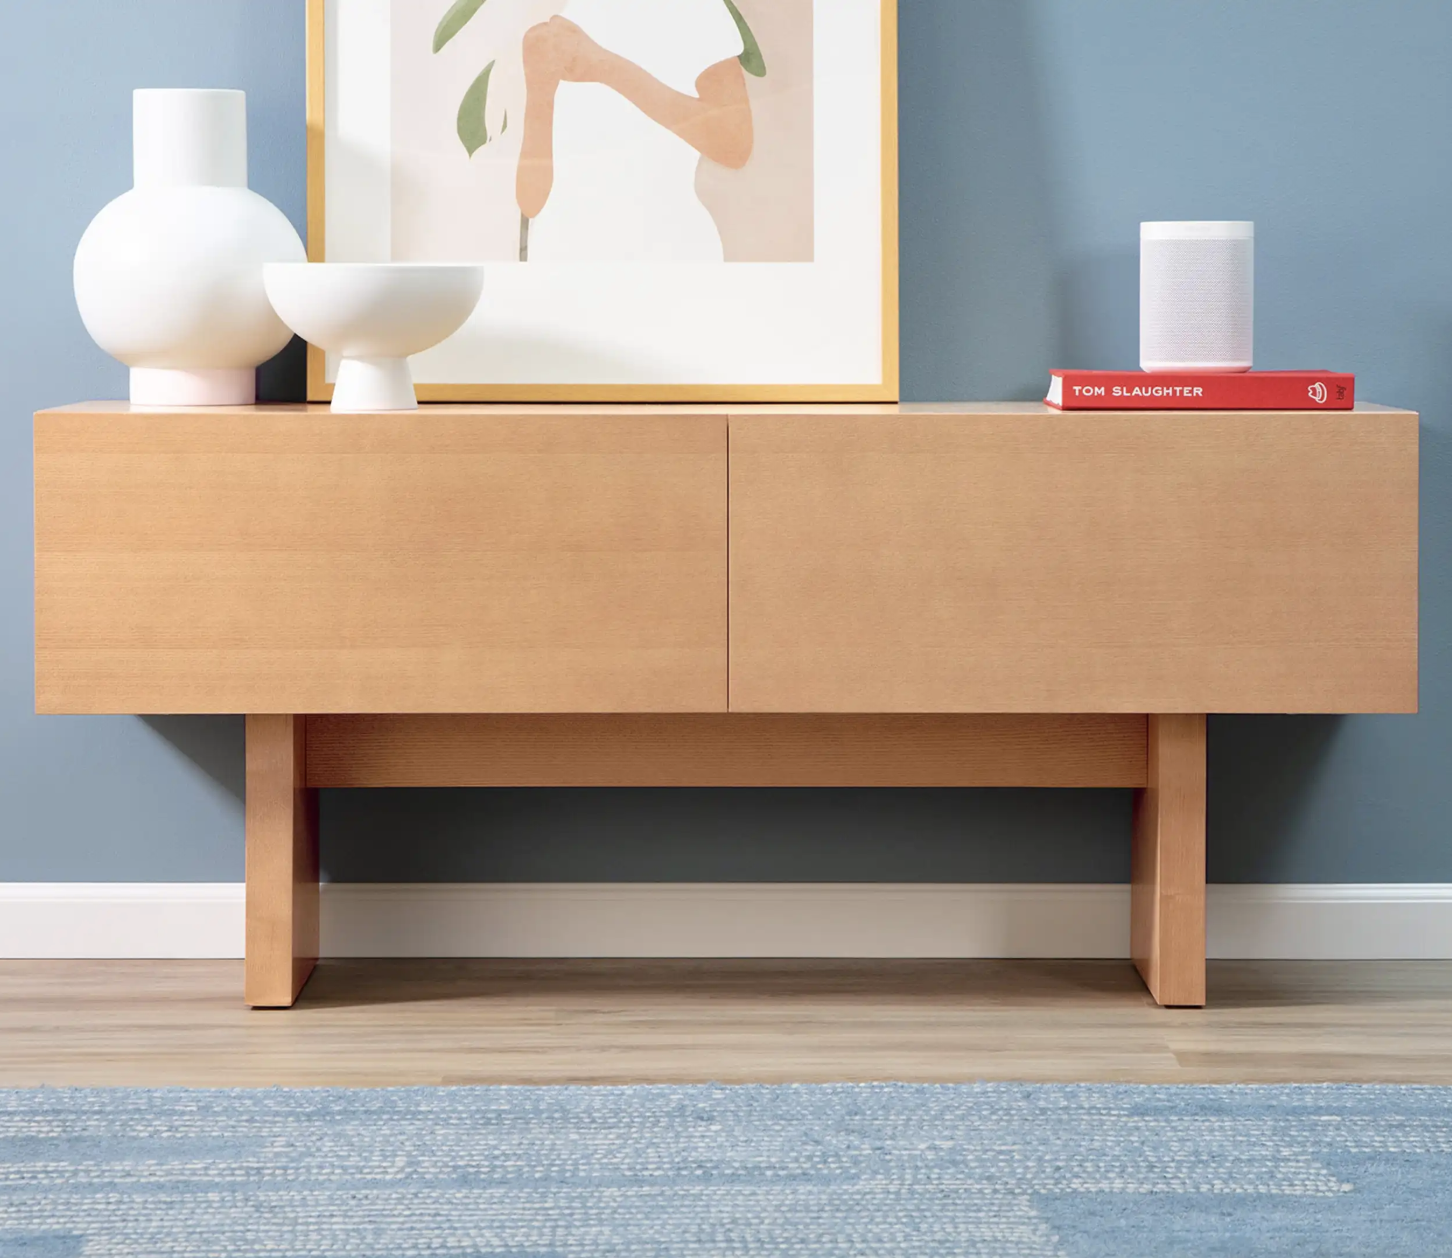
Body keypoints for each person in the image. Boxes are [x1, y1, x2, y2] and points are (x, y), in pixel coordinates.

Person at [517, 0, 754, 262]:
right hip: (562, 255)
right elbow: (530, 202)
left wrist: (605, 66)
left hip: (666, 252)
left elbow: (734, 144)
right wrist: (539, 91)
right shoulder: (564, 18)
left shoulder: (697, 9)